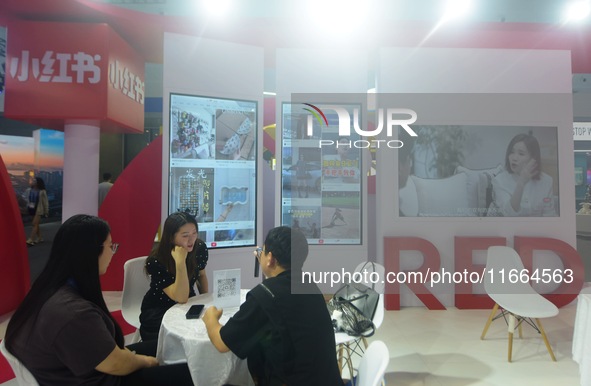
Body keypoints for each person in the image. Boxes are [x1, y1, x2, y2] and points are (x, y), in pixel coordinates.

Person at [4, 214, 194, 386]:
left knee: (173, 345)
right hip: (98, 377)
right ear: (89, 252)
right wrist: (147, 361)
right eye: (110, 246)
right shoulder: (72, 312)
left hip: (81, 366)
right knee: (192, 372)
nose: (113, 252)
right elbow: (115, 364)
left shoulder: (50, 289)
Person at [203, 226, 342, 386]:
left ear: (270, 258)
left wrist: (210, 318)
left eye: (262, 251)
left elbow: (222, 343)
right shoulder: (309, 284)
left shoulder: (264, 297)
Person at [139, 212, 209, 341]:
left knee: (203, 331)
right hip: (159, 309)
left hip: (188, 302)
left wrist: (207, 301)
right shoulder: (156, 260)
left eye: (194, 233)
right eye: (185, 235)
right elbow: (180, 297)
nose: (191, 239)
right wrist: (180, 262)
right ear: (171, 237)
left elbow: (202, 276)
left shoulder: (199, 248)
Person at [490, 133, 556, 216]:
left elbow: (549, 215)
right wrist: (521, 183)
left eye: (521, 154)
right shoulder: (499, 181)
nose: (514, 158)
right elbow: (508, 214)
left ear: (533, 158)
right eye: (512, 152)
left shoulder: (546, 181)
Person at [25, 176, 49, 245]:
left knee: (34, 224)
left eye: (35, 181)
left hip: (39, 209)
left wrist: (46, 211)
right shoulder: (29, 190)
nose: (33, 182)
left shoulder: (42, 191)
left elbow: (45, 202)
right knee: (36, 224)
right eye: (33, 181)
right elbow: (27, 199)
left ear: (38, 183)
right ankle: (40, 238)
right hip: (31, 208)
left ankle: (31, 239)